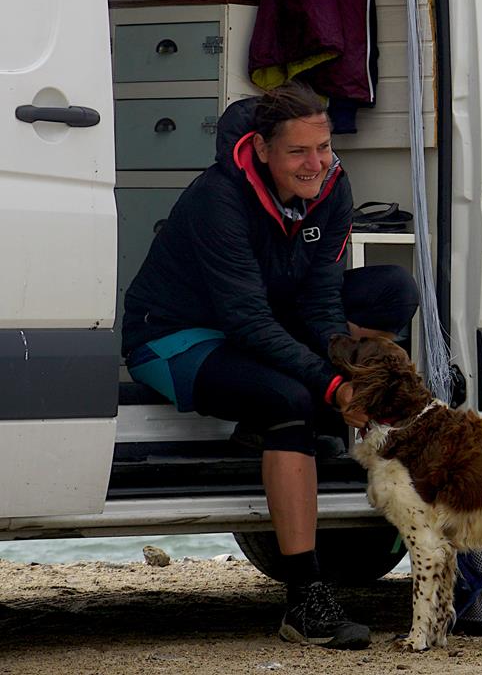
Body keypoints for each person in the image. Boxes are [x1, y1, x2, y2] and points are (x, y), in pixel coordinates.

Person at [122, 81, 418, 650]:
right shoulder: (218, 197)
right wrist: (332, 386)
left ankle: (297, 427)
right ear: (261, 148)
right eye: (298, 152)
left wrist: (348, 371)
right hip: (175, 337)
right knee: (291, 399)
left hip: (263, 321)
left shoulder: (333, 186)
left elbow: (321, 300)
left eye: (324, 148)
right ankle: (305, 599)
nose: (317, 165)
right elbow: (246, 320)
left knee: (389, 289)